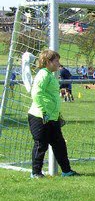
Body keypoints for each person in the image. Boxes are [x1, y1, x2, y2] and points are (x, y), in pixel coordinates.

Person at [27, 49, 79, 178]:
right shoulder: (43, 75)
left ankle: (66, 171)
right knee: (41, 145)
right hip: (40, 116)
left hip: (52, 117)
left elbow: (51, 96)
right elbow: (36, 93)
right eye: (56, 61)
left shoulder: (50, 75)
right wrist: (43, 112)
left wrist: (57, 114)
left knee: (59, 144)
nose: (58, 63)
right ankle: (36, 173)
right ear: (48, 61)